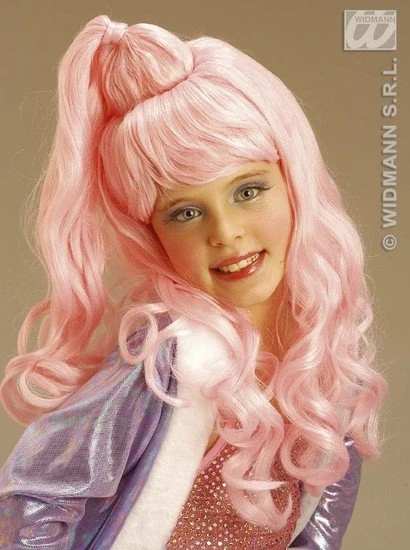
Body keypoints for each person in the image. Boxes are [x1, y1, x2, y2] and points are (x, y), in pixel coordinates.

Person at [0, 14, 388, 549]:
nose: (225, 233)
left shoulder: (324, 352)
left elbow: (325, 513)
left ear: (294, 180)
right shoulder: (167, 361)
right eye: (185, 213)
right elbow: (31, 500)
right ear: (153, 235)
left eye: (248, 191)